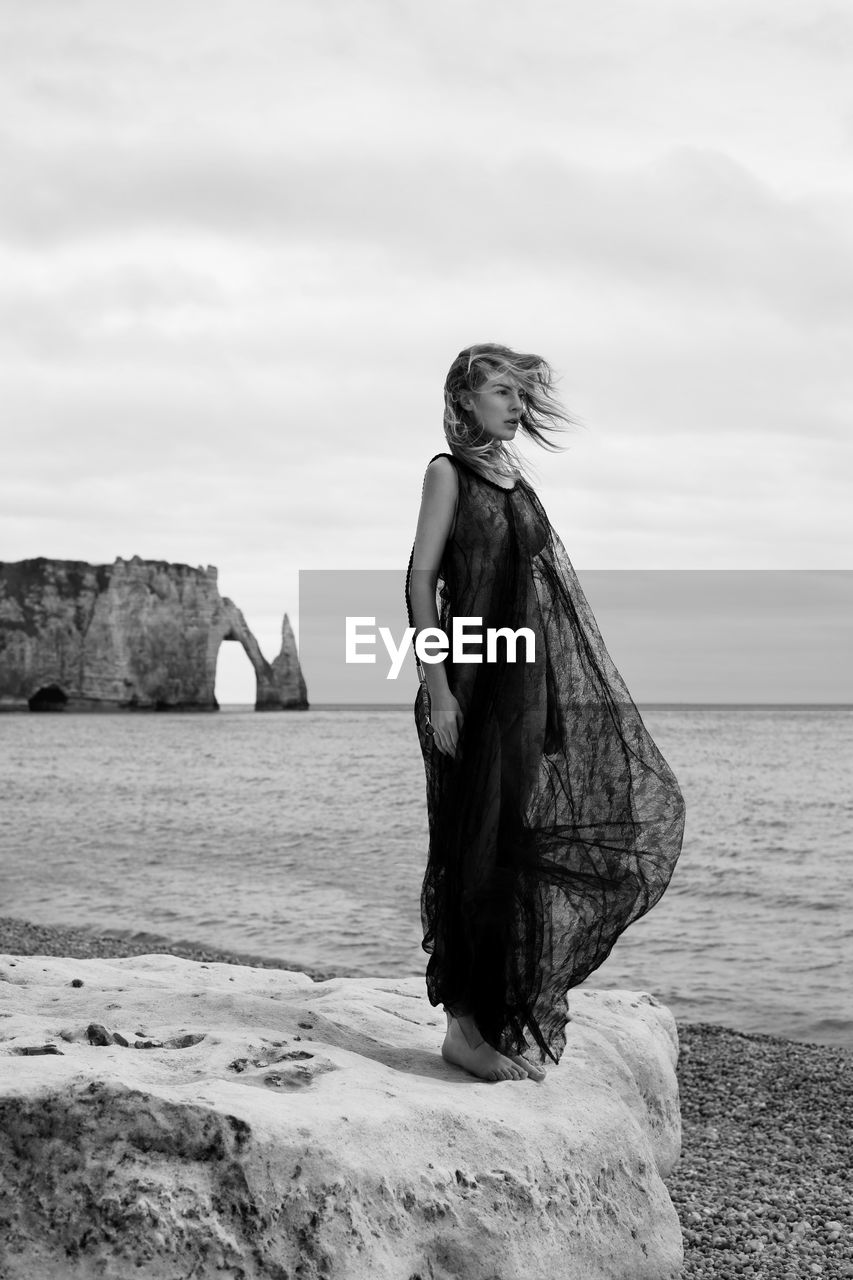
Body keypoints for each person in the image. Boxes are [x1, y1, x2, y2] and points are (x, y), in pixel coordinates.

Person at [404, 342, 685, 1084]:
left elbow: (542, 595)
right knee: (470, 846)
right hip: (467, 676)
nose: (515, 406)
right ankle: (463, 1030)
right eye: (501, 391)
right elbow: (419, 580)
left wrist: (553, 691)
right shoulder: (448, 473)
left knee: (512, 847)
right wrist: (435, 688)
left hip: (523, 682)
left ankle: (490, 1020)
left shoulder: (513, 475)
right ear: (463, 398)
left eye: (521, 395)